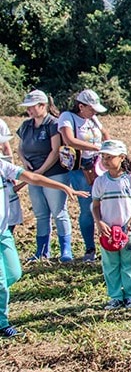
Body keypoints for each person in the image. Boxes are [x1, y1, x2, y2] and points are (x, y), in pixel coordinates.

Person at [0, 149, 89, 337]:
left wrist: (63, 187)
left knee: (14, 273)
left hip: (3, 232)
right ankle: (2, 323)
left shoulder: (2, 166)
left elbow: (32, 177)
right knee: (0, 283)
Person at [16, 89, 71, 262]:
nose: (29, 111)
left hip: (53, 174)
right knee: (40, 213)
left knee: (59, 212)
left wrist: (40, 171)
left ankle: (65, 250)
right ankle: (42, 251)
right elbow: (20, 148)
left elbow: (55, 151)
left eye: (32, 107)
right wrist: (25, 164)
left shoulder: (53, 124)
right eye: (28, 108)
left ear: (43, 105)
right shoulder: (26, 125)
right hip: (33, 175)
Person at [57, 89, 109, 262]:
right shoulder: (67, 117)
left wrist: (106, 147)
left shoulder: (93, 118)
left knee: (105, 204)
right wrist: (94, 147)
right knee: (87, 206)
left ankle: (108, 244)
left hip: (98, 165)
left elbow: (105, 134)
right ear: (81, 106)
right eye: (91, 108)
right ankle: (89, 248)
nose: (94, 112)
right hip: (80, 168)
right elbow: (69, 140)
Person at [91, 140, 131, 311]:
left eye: (109, 157)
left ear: (122, 157)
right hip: (107, 231)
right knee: (110, 265)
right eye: (103, 157)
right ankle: (115, 297)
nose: (105, 160)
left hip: (127, 230)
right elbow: (95, 205)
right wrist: (99, 223)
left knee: (128, 263)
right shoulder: (100, 182)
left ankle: (130, 295)